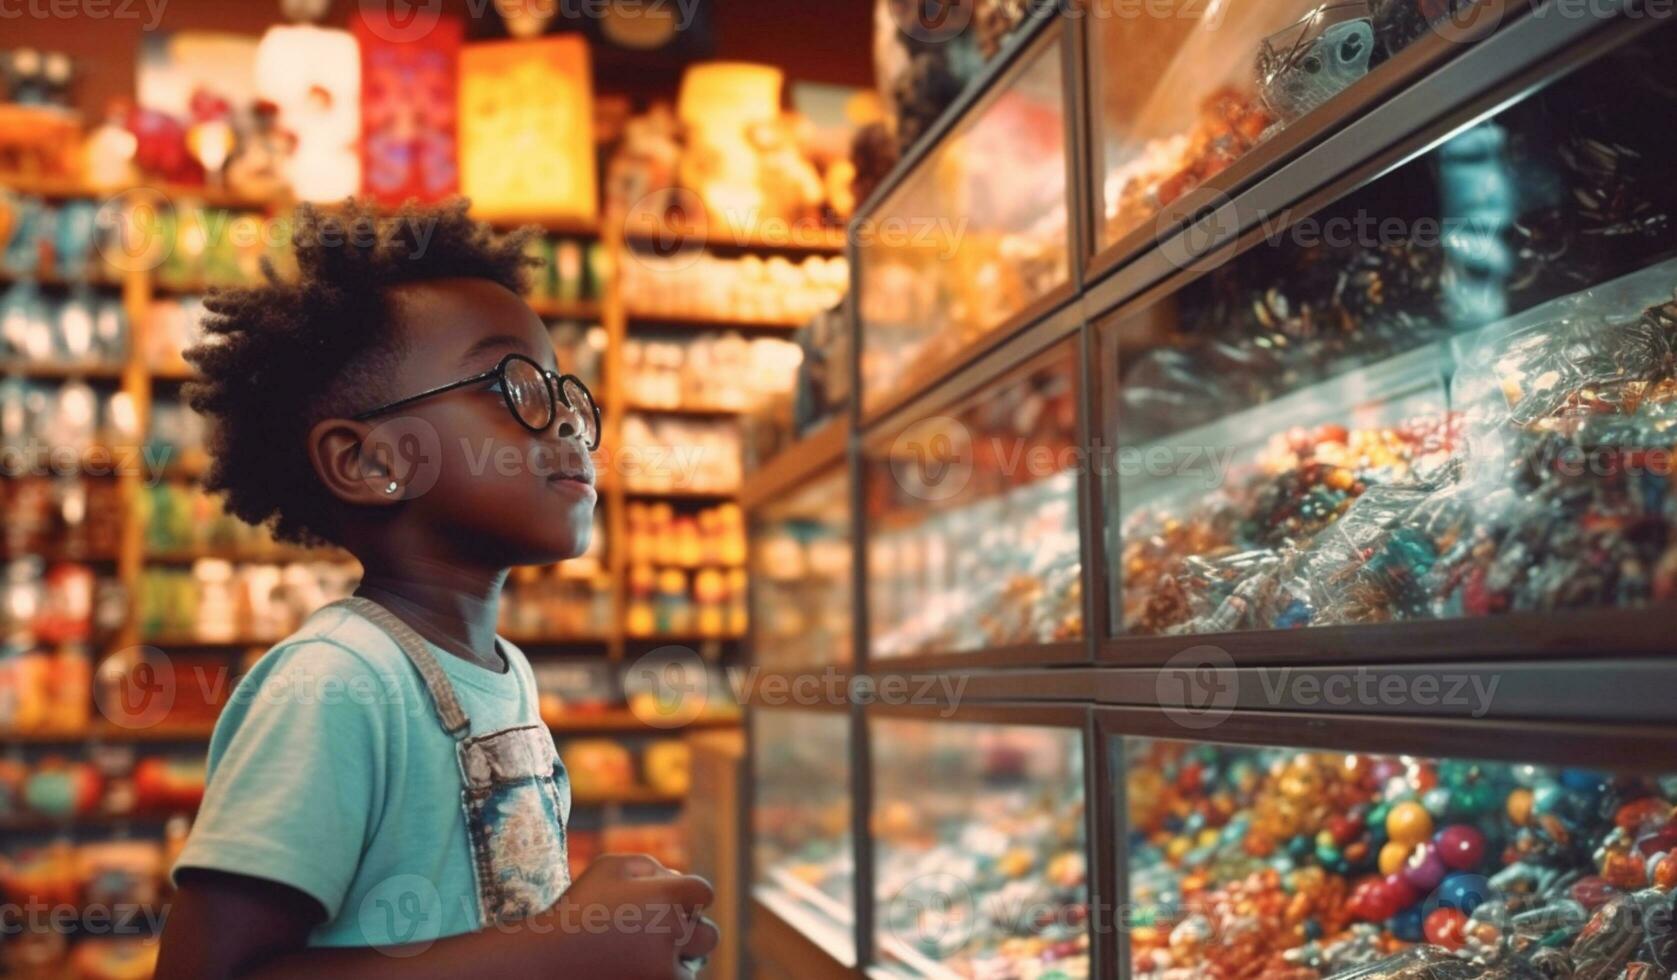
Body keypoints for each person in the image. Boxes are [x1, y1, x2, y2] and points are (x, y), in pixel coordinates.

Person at [155, 201, 718, 979]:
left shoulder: (504, 671)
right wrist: (561, 947)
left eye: (566, 395)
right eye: (513, 385)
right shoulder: (335, 681)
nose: (565, 425)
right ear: (368, 461)